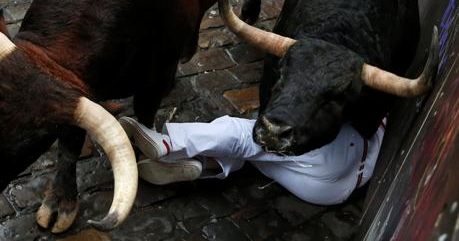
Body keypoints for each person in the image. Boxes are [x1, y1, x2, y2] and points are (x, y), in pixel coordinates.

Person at [119, 115, 385, 205]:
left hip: (339, 146)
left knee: (248, 136)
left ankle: (169, 143)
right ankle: (205, 166)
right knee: (256, 155)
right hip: (334, 192)